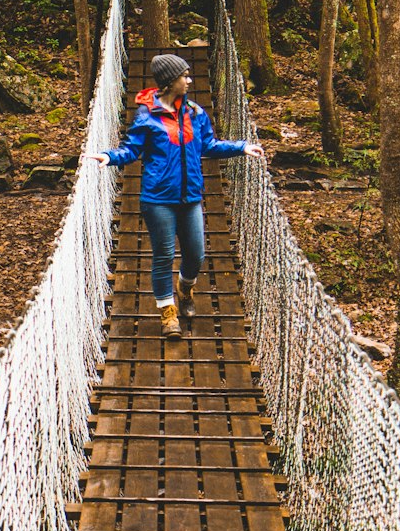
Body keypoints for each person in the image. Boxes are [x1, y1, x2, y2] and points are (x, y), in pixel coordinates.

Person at [84, 52, 265, 337]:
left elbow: (209, 145)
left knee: (196, 254)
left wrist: (241, 147)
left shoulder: (195, 113)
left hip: (190, 196)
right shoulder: (146, 116)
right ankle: (168, 315)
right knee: (163, 255)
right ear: (170, 82)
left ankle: (185, 287)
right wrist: (109, 157)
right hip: (157, 200)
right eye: (185, 76)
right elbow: (131, 150)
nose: (190, 80)